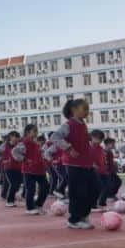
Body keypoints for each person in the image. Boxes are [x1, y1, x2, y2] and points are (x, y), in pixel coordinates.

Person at [47, 98, 94, 229]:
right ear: (74, 110)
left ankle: (83, 215)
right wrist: (68, 148)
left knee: (94, 188)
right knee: (78, 192)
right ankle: (74, 219)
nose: (87, 112)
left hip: (86, 164)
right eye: (84, 109)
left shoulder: (83, 124)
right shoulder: (68, 125)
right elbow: (55, 137)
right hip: (74, 165)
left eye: (88, 109)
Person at [13, 124, 49, 215]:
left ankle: (38, 205)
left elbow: (38, 154)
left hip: (40, 170)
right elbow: (14, 152)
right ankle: (29, 208)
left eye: (37, 131)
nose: (36, 133)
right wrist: (24, 159)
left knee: (45, 187)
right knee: (31, 189)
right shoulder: (24, 143)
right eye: (34, 131)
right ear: (27, 132)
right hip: (29, 170)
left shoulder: (35, 143)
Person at [0, 131, 22, 208]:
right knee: (13, 183)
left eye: (17, 137)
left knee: (17, 184)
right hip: (8, 168)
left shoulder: (20, 145)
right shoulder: (4, 145)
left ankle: (12, 197)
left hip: (19, 167)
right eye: (13, 136)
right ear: (10, 137)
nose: (15, 138)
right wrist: (1, 160)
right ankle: (9, 201)